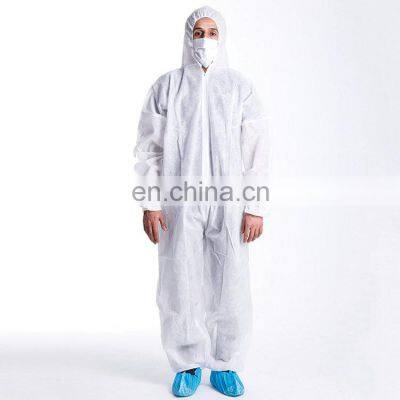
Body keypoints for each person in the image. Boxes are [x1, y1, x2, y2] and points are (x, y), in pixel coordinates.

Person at [134, 6, 268, 397]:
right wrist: (150, 203)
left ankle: (226, 362)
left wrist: (255, 207)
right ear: (187, 37)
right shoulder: (167, 87)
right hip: (180, 201)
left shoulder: (239, 87)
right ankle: (188, 362)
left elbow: (257, 150)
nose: (204, 40)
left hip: (229, 202)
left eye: (212, 33)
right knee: (180, 280)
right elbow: (148, 149)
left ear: (221, 38)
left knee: (232, 281)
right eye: (198, 32)